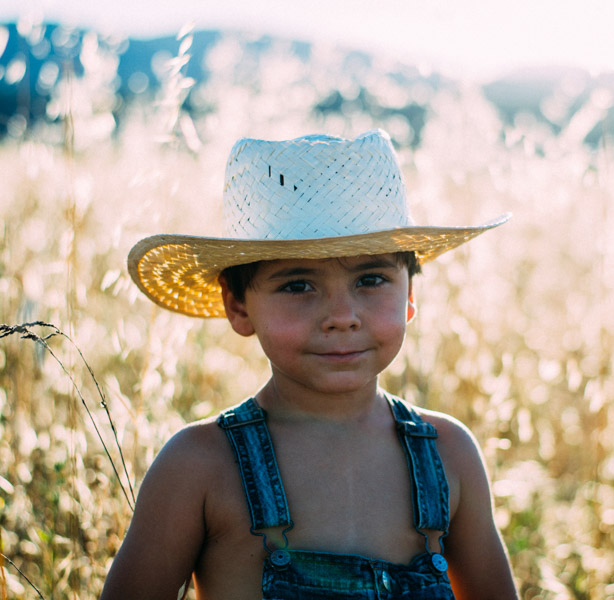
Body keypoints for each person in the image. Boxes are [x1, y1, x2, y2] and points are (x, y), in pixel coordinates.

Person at [100, 130, 518, 600]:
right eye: (298, 285)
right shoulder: (198, 466)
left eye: (372, 279)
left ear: (409, 298)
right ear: (238, 307)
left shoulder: (448, 454)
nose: (341, 317)